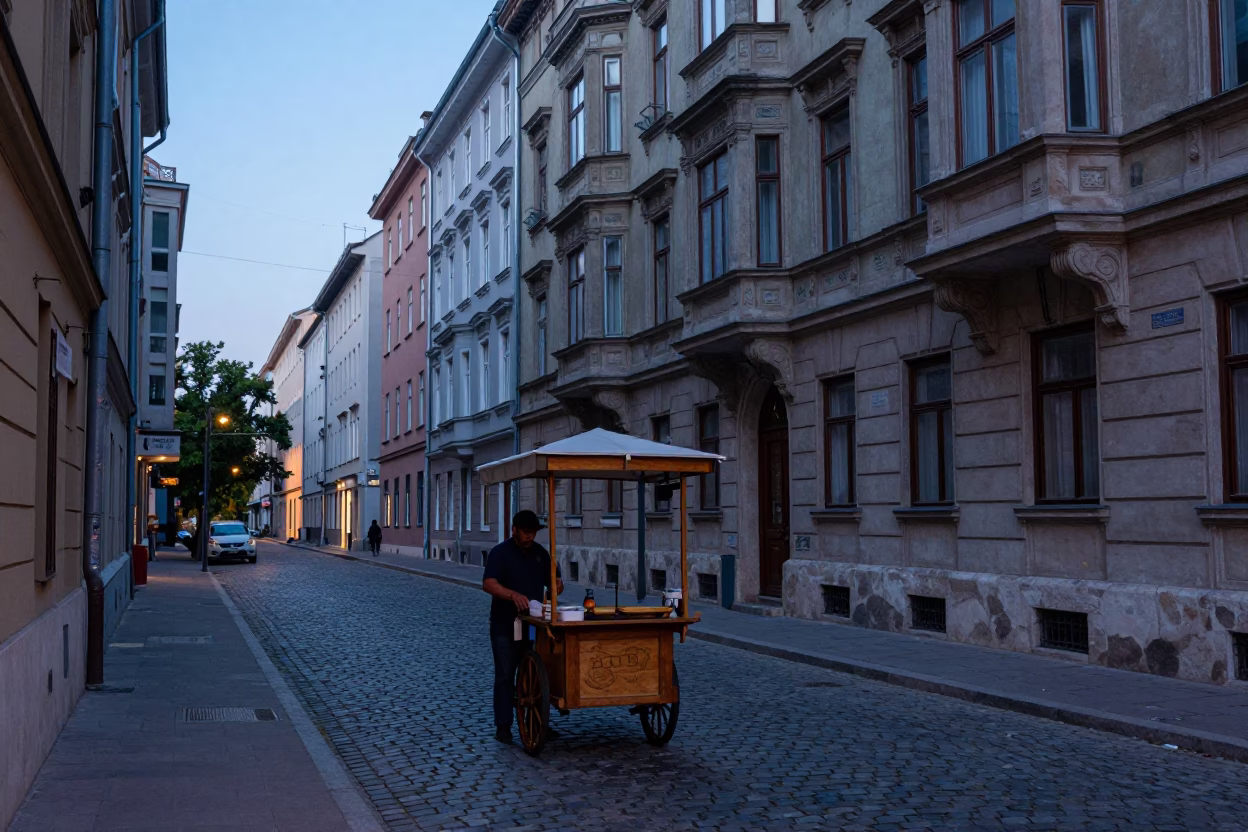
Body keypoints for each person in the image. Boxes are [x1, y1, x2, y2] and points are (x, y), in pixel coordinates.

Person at [482, 509, 563, 744]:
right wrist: (511, 595)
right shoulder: (500, 553)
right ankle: (503, 725)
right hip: (505, 624)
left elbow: (555, 585)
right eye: (526, 533)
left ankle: (536, 723)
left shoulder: (541, 554)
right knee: (506, 674)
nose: (530, 537)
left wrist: (558, 585)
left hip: (534, 624)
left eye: (533, 533)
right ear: (514, 530)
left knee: (535, 674)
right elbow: (489, 584)